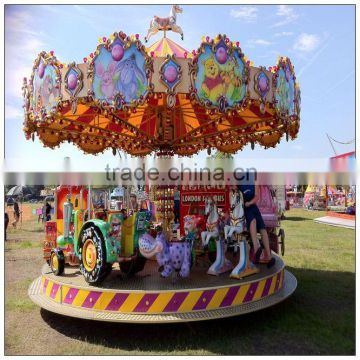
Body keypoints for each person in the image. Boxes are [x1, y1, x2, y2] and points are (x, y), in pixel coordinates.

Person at [237, 181, 274, 266]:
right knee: (253, 221)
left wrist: (250, 203)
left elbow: (257, 197)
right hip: (245, 208)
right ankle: (256, 248)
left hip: (252, 206)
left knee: (262, 228)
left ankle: (269, 256)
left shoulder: (255, 182)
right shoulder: (239, 183)